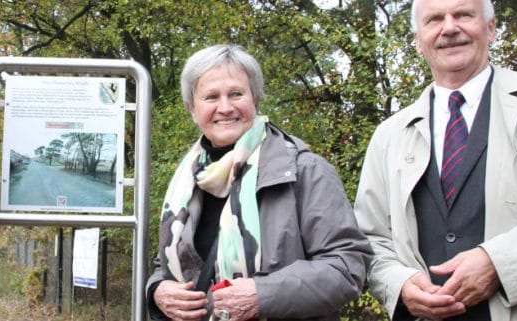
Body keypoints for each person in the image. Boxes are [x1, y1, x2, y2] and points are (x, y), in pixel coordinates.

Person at [353, 0, 517, 320]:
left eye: (463, 15)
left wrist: (500, 264)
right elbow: (369, 239)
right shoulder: (389, 136)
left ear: (491, 28)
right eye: (434, 20)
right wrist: (399, 284)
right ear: (418, 41)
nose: (449, 28)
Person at [146, 44, 372, 321]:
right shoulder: (186, 181)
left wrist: (261, 295)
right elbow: (167, 264)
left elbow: (347, 266)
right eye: (211, 97)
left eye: (236, 94)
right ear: (192, 108)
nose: (225, 107)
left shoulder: (304, 170)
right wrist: (157, 290)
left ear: (255, 98)